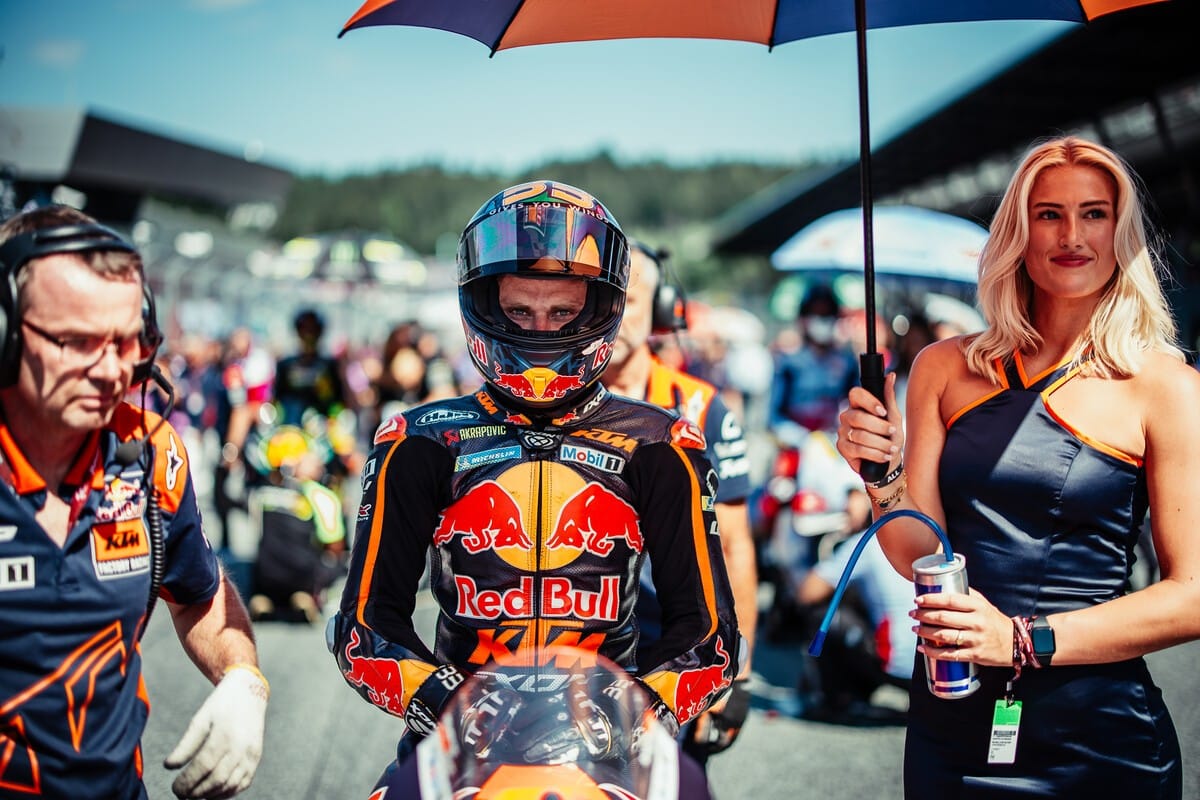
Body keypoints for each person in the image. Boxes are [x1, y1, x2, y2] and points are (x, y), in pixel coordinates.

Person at [328, 181, 739, 794]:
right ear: (484, 306)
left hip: (613, 753)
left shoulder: (662, 444)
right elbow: (366, 626)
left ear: (600, 308)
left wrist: (628, 714)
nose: (541, 330)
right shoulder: (417, 442)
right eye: (520, 311)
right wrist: (449, 702)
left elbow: (707, 638)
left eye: (562, 313)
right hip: (455, 748)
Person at [837, 136, 1199, 797]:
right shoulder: (944, 368)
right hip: (952, 724)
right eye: (1048, 213)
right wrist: (881, 474)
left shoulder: (1167, 387)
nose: (1072, 235)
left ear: (1121, 233)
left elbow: (1193, 596)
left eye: (1094, 214)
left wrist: (1020, 640)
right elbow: (919, 554)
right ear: (1018, 233)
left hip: (1100, 740)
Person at [0, 205, 267, 799]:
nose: (111, 370)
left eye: (128, 342)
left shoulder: (149, 452)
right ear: (5, 331)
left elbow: (199, 594)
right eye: (77, 341)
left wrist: (243, 678)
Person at [600, 242, 756, 768]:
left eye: (629, 301)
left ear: (662, 309)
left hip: (676, 657)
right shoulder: (546, 404)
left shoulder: (702, 409)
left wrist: (738, 671)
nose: (615, 317)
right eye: (604, 299)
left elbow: (733, 546)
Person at [795, 528, 916, 723]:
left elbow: (807, 592)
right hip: (938, 667)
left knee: (825, 616)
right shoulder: (927, 534)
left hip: (898, 665)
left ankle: (838, 701)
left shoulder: (869, 540)